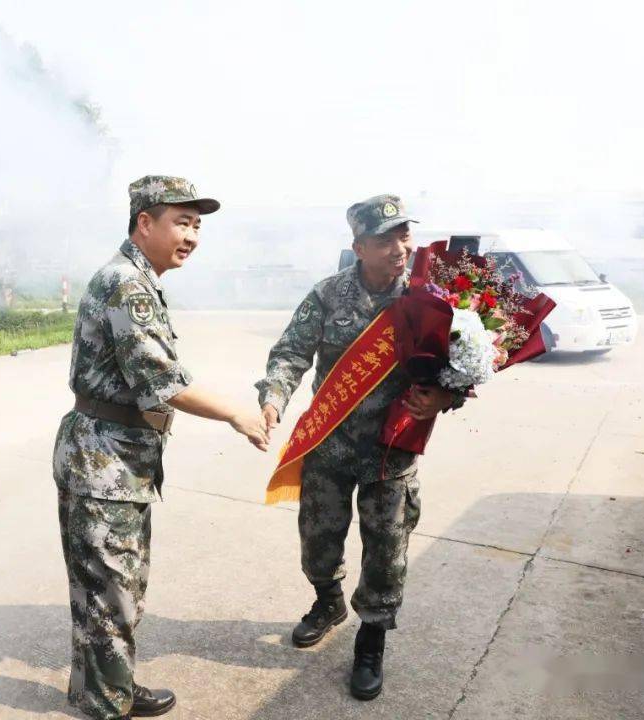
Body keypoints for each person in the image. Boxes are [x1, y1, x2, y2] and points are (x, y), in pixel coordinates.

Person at [53, 175, 269, 720]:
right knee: (113, 596)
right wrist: (237, 413)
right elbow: (161, 380)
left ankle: (101, 689)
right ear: (144, 222)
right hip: (106, 462)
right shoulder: (127, 284)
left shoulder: (136, 278)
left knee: (100, 590)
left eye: (197, 225)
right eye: (182, 221)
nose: (192, 235)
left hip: (109, 456)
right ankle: (108, 705)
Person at [255, 194, 463, 701]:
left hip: (391, 452)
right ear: (359, 246)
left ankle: (370, 641)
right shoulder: (327, 296)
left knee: (386, 554)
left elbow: (460, 368)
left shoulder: (430, 297)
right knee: (318, 543)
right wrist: (273, 399)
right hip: (330, 446)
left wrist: (443, 397)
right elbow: (290, 353)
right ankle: (327, 601)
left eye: (404, 236)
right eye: (385, 239)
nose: (399, 248)